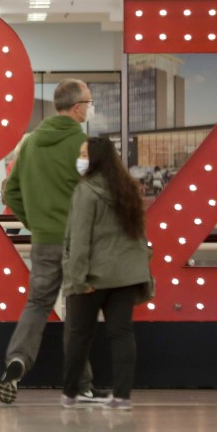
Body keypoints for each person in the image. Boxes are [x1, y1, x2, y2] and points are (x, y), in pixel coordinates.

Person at [0, 78, 102, 405]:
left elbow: (10, 192)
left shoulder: (28, 144)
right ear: (77, 106)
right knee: (77, 309)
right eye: (89, 100)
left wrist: (35, 223)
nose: (90, 106)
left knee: (38, 303)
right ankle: (80, 385)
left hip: (42, 241)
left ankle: (16, 361)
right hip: (77, 243)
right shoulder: (82, 145)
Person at [60, 137, 153, 411]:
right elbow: (140, 236)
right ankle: (122, 397)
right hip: (127, 275)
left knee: (78, 334)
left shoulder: (86, 192)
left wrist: (76, 279)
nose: (80, 158)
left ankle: (70, 394)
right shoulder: (128, 190)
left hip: (92, 276)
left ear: (96, 159)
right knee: (122, 333)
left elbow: (79, 240)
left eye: (84, 153)